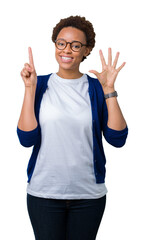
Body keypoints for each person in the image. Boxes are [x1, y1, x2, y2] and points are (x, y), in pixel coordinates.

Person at [17, 15, 128, 240]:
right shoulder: (40, 84)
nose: (66, 50)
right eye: (61, 43)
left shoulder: (97, 88)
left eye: (75, 45)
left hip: (88, 195)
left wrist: (109, 90)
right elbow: (26, 138)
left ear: (86, 51)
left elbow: (117, 138)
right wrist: (29, 89)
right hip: (44, 194)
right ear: (55, 45)